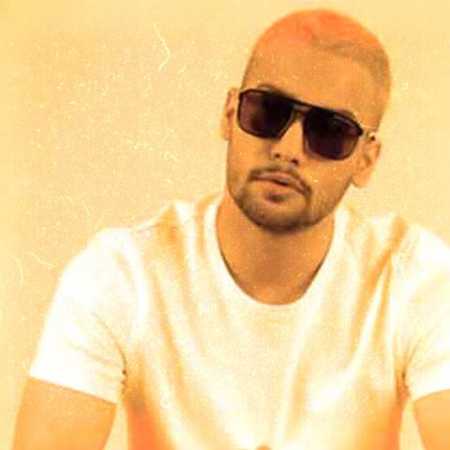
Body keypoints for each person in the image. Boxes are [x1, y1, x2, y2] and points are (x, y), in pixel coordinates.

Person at [12, 8, 450, 450]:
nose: (288, 149)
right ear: (229, 113)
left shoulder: (413, 277)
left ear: (366, 160)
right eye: (268, 112)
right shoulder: (123, 273)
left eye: (330, 132)